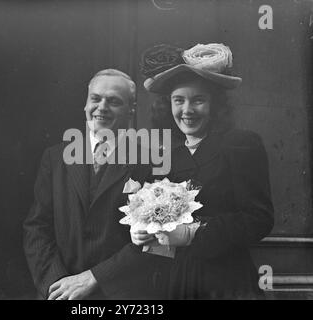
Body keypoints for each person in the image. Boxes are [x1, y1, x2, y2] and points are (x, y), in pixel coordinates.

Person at [130, 43, 275, 299]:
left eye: (198, 100)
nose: (187, 110)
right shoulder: (165, 155)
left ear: (215, 105)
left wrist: (191, 233)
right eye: (179, 100)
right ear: (168, 105)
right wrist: (143, 230)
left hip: (226, 281)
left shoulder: (240, 144)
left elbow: (258, 218)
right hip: (174, 282)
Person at [23, 69, 164, 300]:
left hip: (121, 296)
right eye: (95, 99)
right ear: (85, 104)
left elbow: (157, 242)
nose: (102, 107)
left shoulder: (150, 162)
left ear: (131, 110)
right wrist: (57, 283)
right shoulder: (55, 157)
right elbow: (36, 228)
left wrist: (95, 278)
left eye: (114, 101)